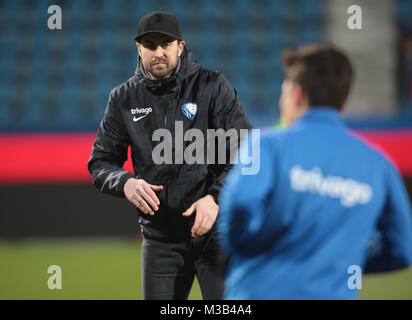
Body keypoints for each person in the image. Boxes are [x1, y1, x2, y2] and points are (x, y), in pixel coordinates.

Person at [218, 43, 412, 299]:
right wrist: (343, 261)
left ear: (296, 95)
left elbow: (242, 202)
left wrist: (239, 244)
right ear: (343, 104)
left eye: (284, 91)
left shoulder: (265, 146)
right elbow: (403, 249)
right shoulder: (379, 165)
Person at [88, 11, 252, 300]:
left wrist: (215, 199)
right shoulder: (123, 98)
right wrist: (125, 182)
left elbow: (246, 152)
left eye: (166, 44)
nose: (159, 52)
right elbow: (101, 162)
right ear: (139, 49)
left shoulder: (212, 87)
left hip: (216, 234)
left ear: (181, 46)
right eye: (151, 45)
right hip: (160, 239)